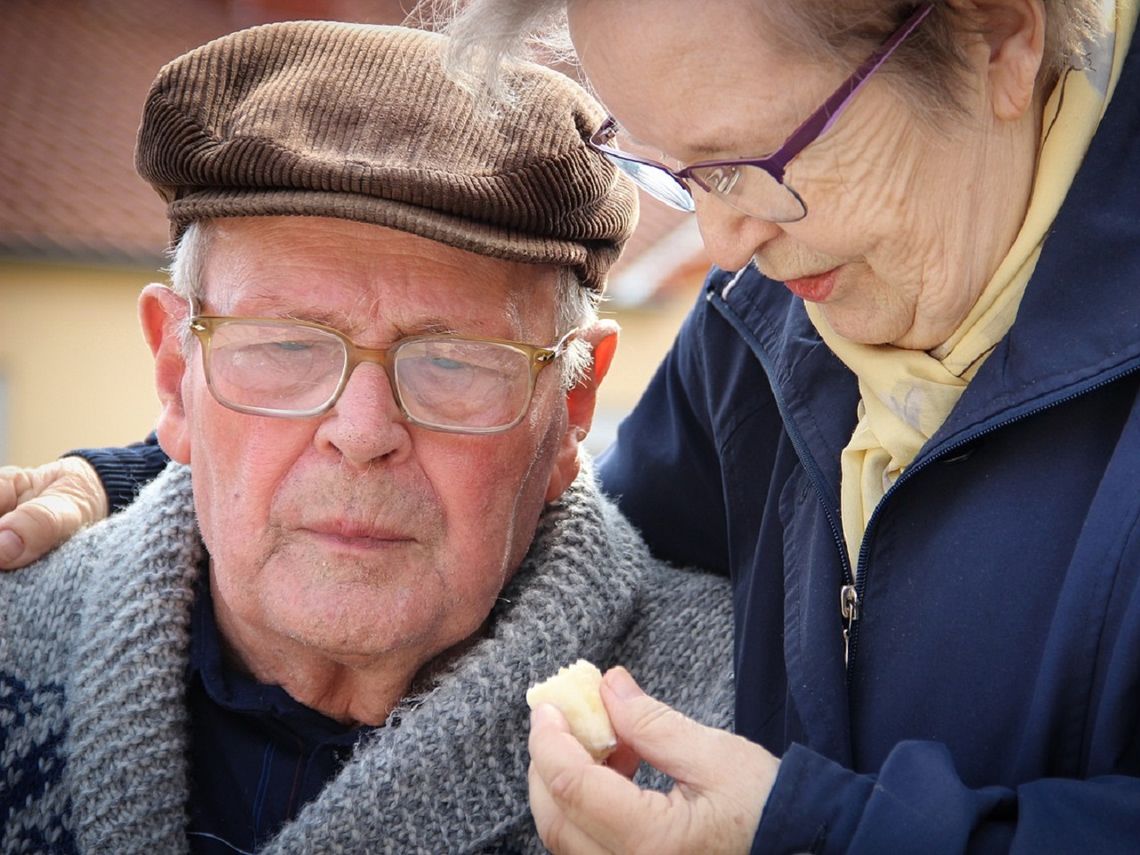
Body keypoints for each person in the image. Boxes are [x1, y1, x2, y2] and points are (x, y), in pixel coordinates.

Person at [5, 0, 1140, 850]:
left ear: (1000, 36)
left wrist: (819, 834)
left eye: (760, 162)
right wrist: (145, 477)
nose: (727, 252)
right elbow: (539, 498)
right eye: (684, 177)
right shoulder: (769, 328)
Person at [0, 20, 741, 854]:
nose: (362, 433)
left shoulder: (730, 729)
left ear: (573, 406)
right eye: (285, 344)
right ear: (176, 375)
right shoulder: (11, 637)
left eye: (455, 362)